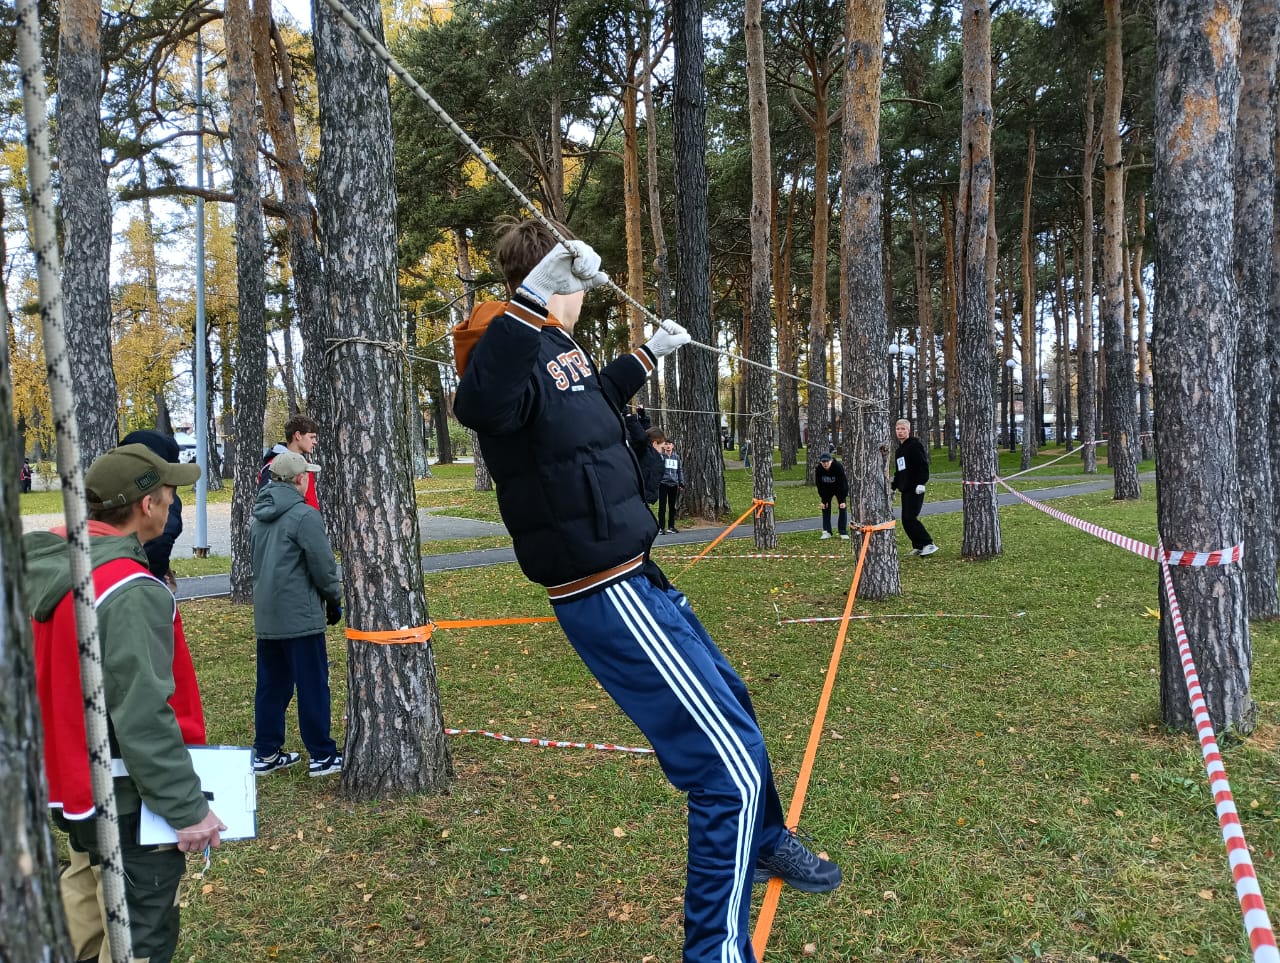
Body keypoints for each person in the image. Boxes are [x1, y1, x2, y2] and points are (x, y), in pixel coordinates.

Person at [452, 219, 840, 963]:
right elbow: (483, 406)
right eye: (571, 269)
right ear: (553, 274)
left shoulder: (558, 347)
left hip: (635, 573)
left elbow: (587, 408)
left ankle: (762, 842)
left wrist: (643, 357)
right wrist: (532, 298)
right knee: (723, 766)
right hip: (601, 588)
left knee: (733, 701)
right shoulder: (502, 339)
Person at [24, 443, 224, 963]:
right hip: (125, 797)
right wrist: (188, 809)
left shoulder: (49, 566)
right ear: (147, 505)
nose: (174, 503)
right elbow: (143, 715)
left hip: (71, 785)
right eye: (170, 493)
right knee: (142, 931)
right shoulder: (129, 588)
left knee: (83, 897)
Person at [249, 450, 344, 777]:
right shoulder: (305, 516)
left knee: (272, 685)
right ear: (299, 479)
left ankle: (266, 751)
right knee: (313, 685)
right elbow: (323, 566)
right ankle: (322, 754)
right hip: (300, 616)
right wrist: (333, 599)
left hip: (268, 615)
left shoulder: (258, 515)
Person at [122, 429, 185, 588]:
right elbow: (161, 540)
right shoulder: (160, 496)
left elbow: (162, 539)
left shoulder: (117, 489)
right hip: (138, 581)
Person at [891, 418, 937, 556]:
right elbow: (900, 471)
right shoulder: (900, 450)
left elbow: (923, 466)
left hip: (916, 488)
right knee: (906, 520)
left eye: (903, 429)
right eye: (898, 429)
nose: (900, 432)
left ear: (908, 431)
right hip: (906, 489)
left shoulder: (914, 446)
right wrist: (893, 487)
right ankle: (918, 545)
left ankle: (928, 543)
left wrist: (921, 483)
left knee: (910, 517)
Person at [260, 413, 321, 511]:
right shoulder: (275, 466)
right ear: (298, 435)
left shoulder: (303, 464)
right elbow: (268, 507)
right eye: (311, 437)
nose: (315, 442)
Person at [815, 451, 850, 540]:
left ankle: (842, 531)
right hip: (826, 489)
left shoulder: (838, 467)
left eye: (827, 461)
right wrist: (823, 500)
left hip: (839, 488)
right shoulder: (819, 469)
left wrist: (842, 499)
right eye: (823, 462)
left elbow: (843, 484)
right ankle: (827, 531)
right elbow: (819, 485)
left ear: (831, 461)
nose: (825, 464)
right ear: (820, 462)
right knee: (825, 507)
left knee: (842, 507)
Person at [657, 439, 684, 534]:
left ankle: (671, 526)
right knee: (662, 507)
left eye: (670, 444)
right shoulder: (661, 457)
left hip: (673, 484)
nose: (668, 446)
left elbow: (679, 470)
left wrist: (681, 482)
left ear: (673, 446)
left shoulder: (676, 457)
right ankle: (661, 527)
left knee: (672, 507)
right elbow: (658, 470)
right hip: (663, 484)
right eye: (666, 444)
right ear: (664, 446)